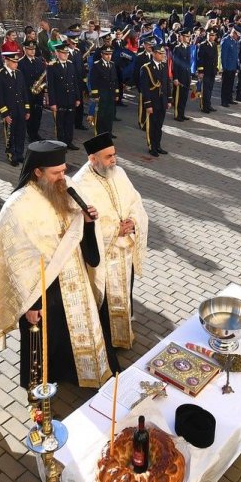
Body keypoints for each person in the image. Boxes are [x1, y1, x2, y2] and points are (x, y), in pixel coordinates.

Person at [0, 141, 120, 389]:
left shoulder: (66, 187)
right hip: (42, 289)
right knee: (47, 340)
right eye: (56, 172)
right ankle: (43, 386)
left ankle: (81, 374)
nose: (62, 177)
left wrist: (88, 223)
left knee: (76, 333)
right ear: (38, 171)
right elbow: (16, 261)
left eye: (64, 170)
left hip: (74, 279)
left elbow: (79, 234)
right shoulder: (17, 207)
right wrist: (30, 304)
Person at [72, 132, 148, 350]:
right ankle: (107, 340)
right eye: (107, 157)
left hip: (125, 250)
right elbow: (82, 222)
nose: (113, 160)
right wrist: (116, 228)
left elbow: (135, 201)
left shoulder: (119, 173)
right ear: (92, 159)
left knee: (125, 293)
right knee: (105, 300)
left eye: (114, 154)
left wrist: (133, 221)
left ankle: (124, 332)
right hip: (104, 255)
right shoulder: (80, 184)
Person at [0, 47, 31, 166]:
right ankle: (11, 155)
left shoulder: (19, 73)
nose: (16, 64)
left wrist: (27, 109)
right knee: (10, 134)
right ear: (7, 61)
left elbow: (24, 92)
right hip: (9, 110)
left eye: (17, 62)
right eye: (14, 62)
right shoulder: (0, 75)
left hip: (20, 109)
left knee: (21, 133)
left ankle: (19, 153)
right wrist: (4, 114)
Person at [47, 40, 80, 149]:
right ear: (57, 53)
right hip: (59, 100)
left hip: (70, 99)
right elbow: (50, 86)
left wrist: (77, 98)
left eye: (66, 53)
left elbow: (75, 82)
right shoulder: (52, 66)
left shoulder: (70, 65)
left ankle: (69, 142)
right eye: (63, 53)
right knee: (60, 124)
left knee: (70, 123)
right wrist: (52, 102)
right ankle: (61, 144)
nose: (65, 55)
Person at [139, 41, 170, 157]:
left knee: (159, 125)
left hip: (162, 101)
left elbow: (167, 83)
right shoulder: (146, 68)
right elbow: (145, 88)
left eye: (163, 53)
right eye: (160, 53)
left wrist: (169, 99)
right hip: (152, 101)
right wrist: (148, 104)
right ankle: (152, 146)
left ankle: (158, 145)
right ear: (154, 54)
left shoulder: (164, 65)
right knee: (152, 125)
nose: (162, 55)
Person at [88, 41, 119, 137]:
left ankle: (108, 132)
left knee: (110, 114)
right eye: (106, 54)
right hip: (102, 94)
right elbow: (93, 81)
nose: (109, 56)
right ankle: (100, 133)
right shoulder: (97, 65)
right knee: (101, 114)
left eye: (110, 54)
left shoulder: (112, 64)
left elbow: (115, 80)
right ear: (102, 54)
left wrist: (117, 93)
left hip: (110, 93)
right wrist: (95, 95)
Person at [19, 39, 48, 143]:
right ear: (24, 49)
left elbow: (43, 77)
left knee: (38, 114)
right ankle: (31, 134)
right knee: (29, 115)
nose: (32, 51)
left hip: (38, 92)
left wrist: (44, 91)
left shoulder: (39, 61)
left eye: (33, 49)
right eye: (29, 49)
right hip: (27, 93)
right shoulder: (20, 63)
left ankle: (36, 133)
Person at [220, 25, 240, 107]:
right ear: (233, 33)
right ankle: (224, 101)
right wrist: (224, 67)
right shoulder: (226, 41)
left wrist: (237, 67)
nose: (238, 37)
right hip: (227, 67)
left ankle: (229, 98)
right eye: (237, 35)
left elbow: (236, 56)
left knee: (231, 84)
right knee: (225, 85)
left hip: (233, 67)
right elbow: (223, 56)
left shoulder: (235, 41)